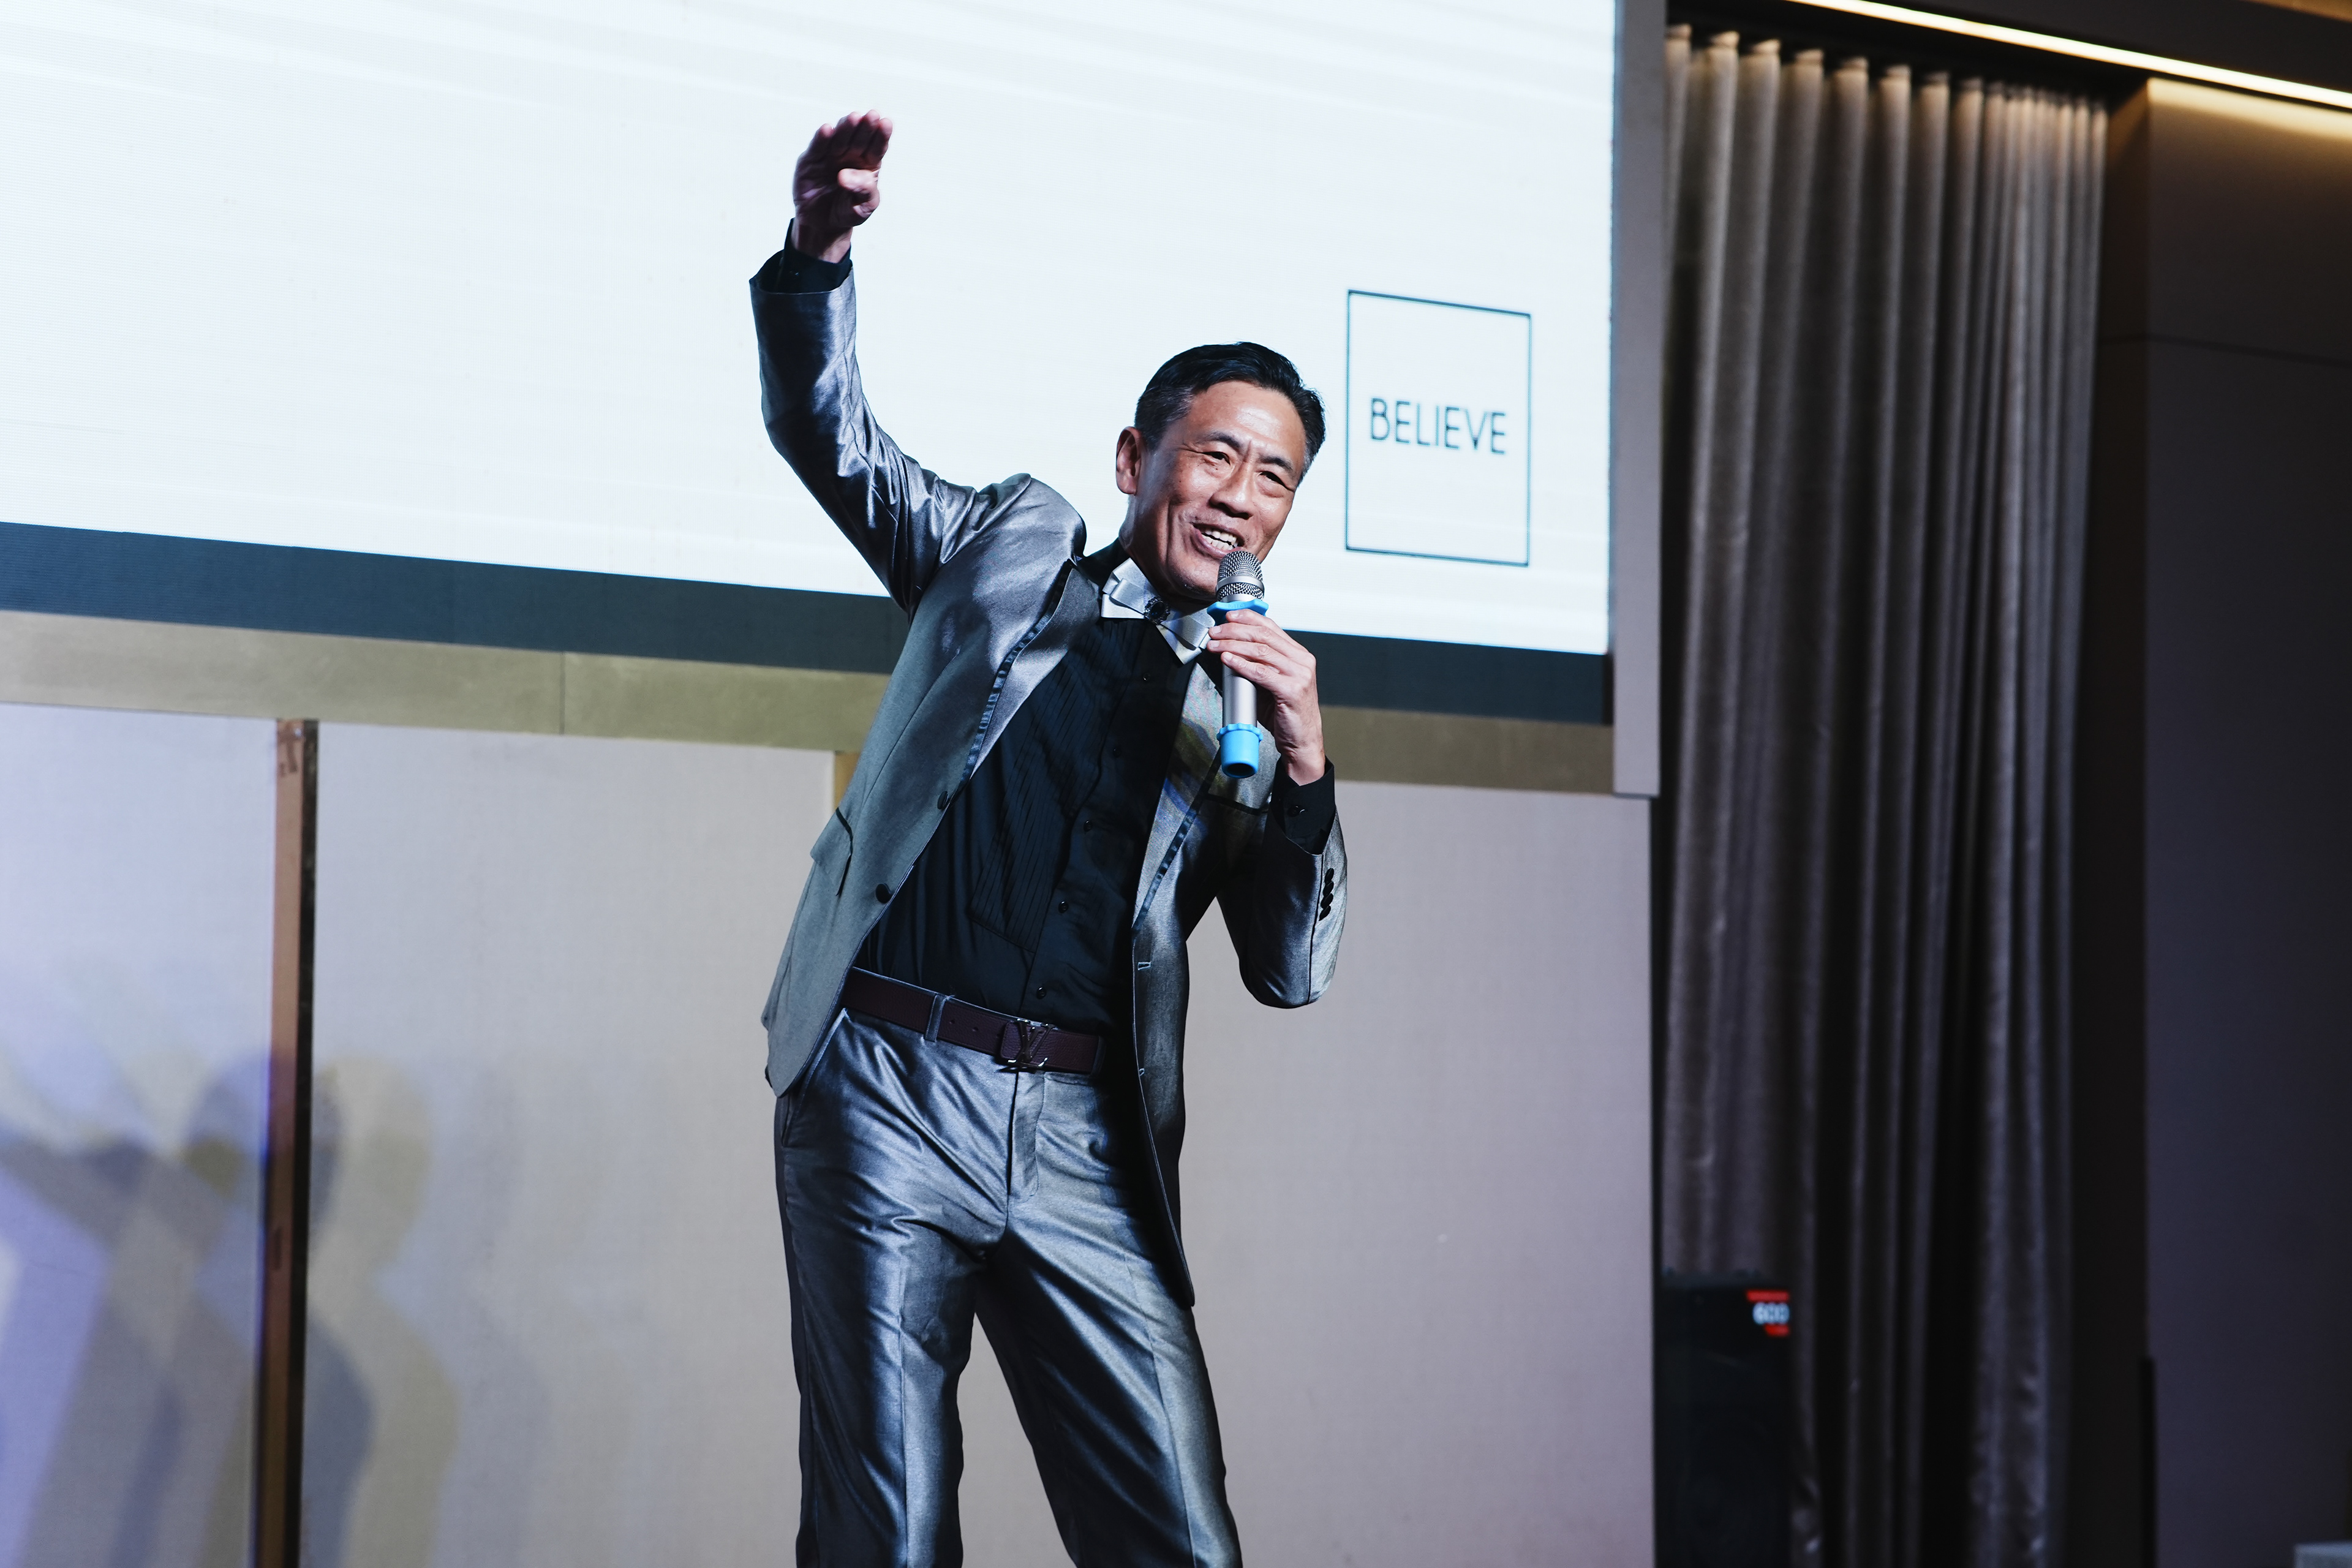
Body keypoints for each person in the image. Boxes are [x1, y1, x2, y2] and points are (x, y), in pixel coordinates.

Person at [750, 111, 1348, 1568]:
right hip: (889, 1086)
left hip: (1083, 1134)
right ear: (1141, 456)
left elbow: (1290, 968)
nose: (1241, 497)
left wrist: (1308, 763)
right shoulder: (1005, 558)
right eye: (1217, 456)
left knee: (1181, 1539)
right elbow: (831, 437)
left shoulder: (1242, 711)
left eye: (1275, 478)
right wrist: (818, 253)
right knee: (887, 1533)